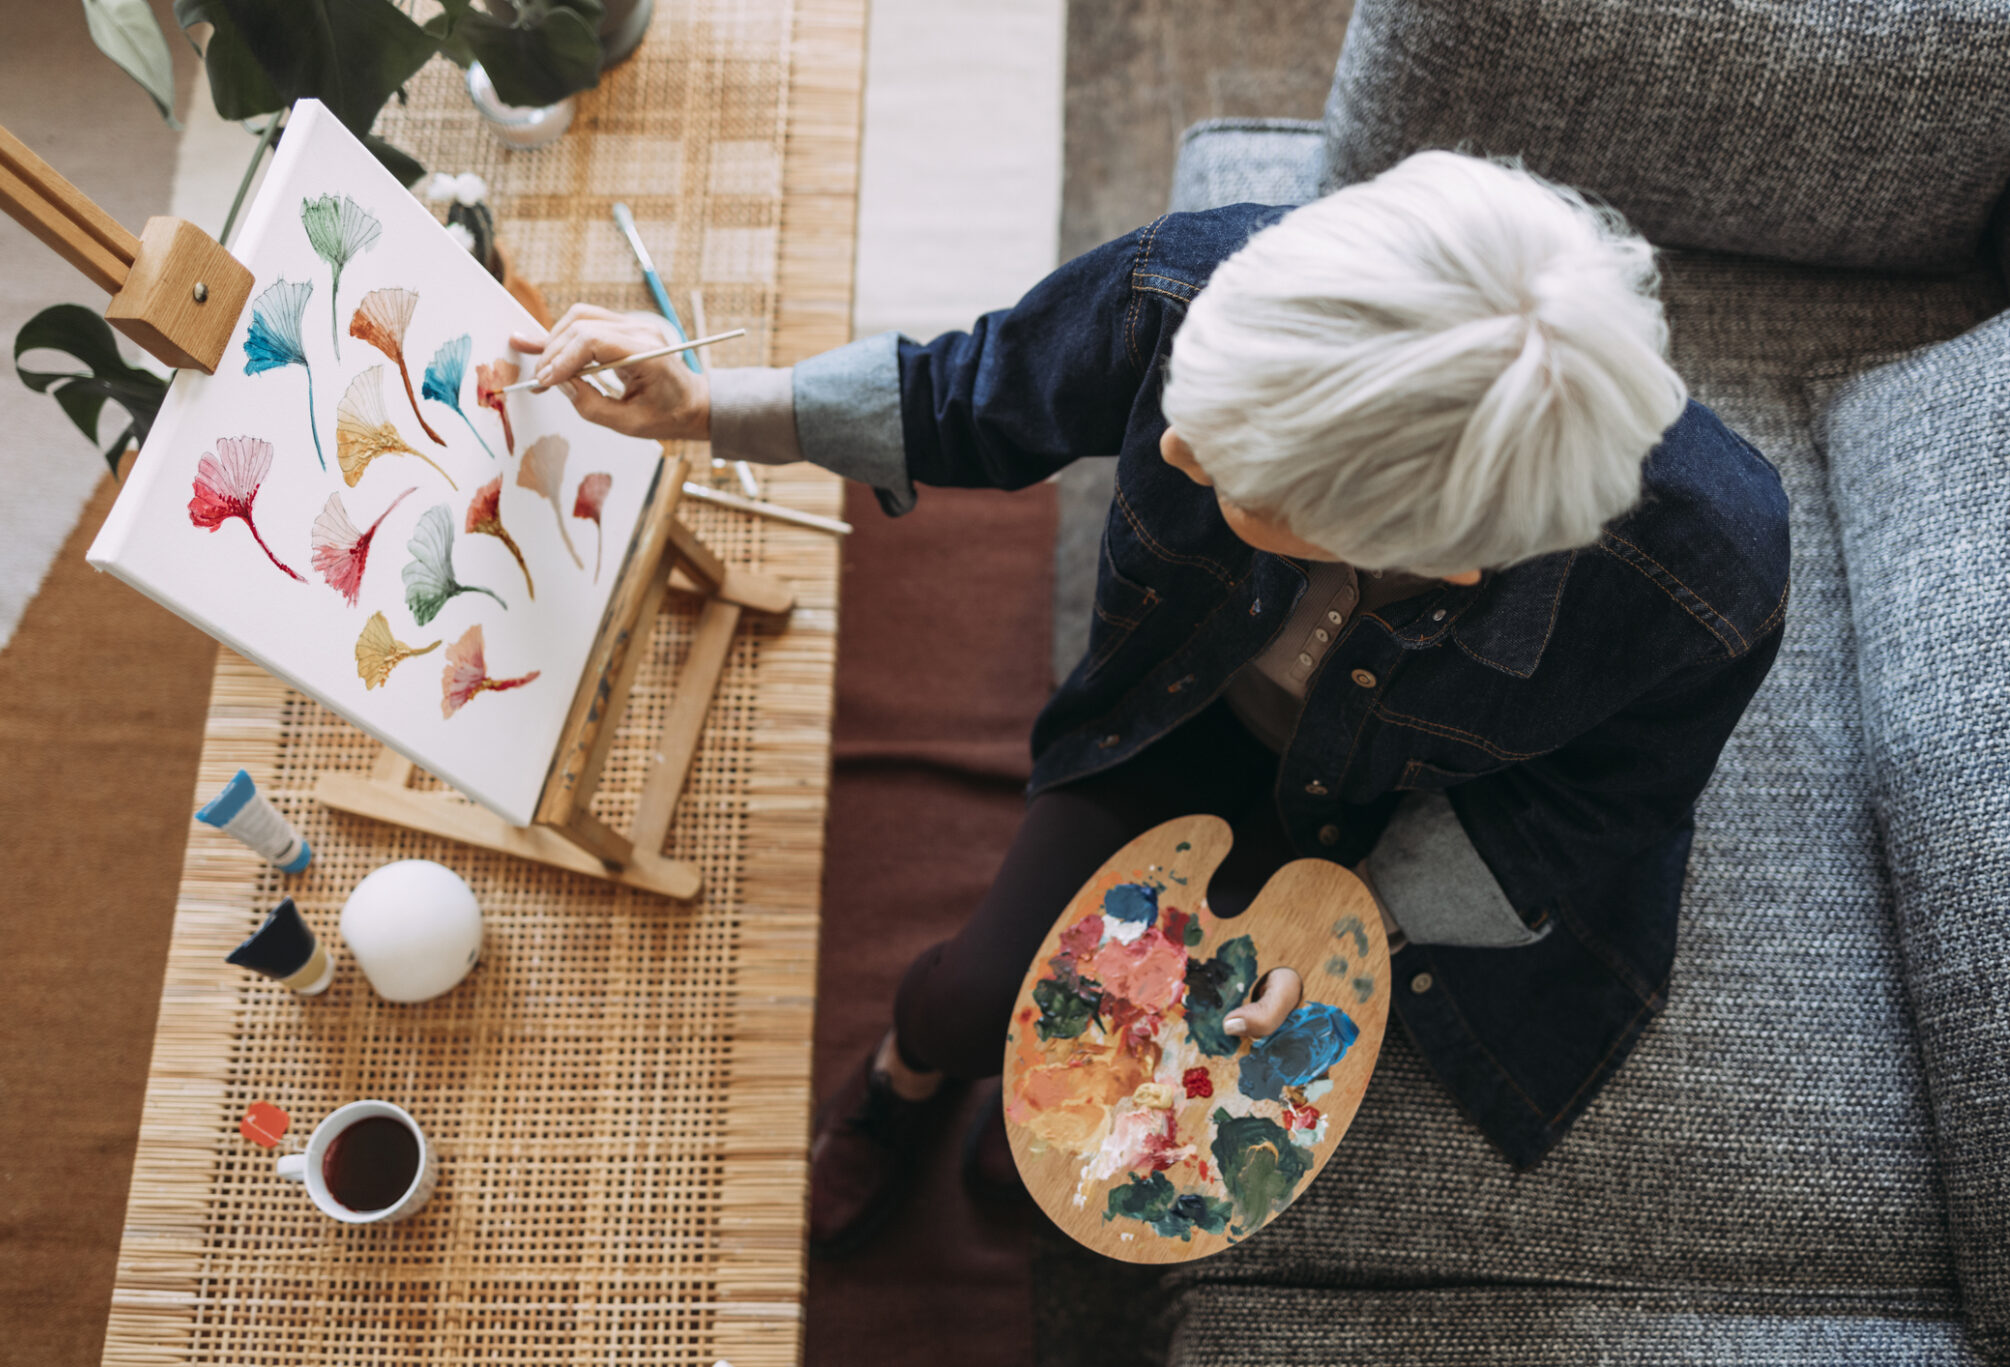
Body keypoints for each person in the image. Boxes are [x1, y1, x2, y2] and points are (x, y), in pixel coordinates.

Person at [513, 150, 1791, 1257]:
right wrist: (713, 408)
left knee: (1135, 1100)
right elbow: (979, 389)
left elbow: (1590, 812)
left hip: (1400, 815)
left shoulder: (1706, 578)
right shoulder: (1207, 283)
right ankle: (908, 1075)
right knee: (970, 1003)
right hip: (1171, 717)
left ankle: (1016, 1133)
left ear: (1437, 555)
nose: (1169, 451)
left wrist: (1346, 927)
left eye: (1233, 474)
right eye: (1190, 409)